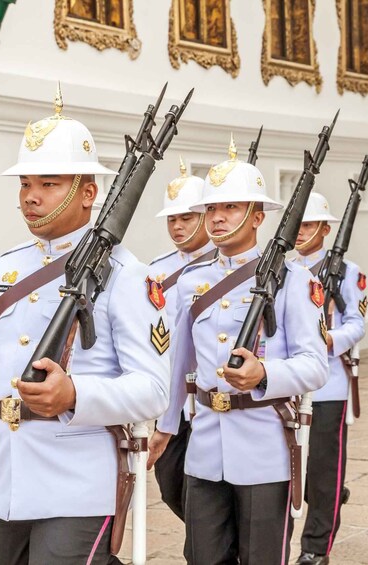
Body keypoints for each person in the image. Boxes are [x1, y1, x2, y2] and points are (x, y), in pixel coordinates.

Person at [0, 88, 169, 564]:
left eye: (49, 184)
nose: (31, 197)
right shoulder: (5, 269)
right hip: (13, 476)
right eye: (25, 184)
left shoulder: (127, 274)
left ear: (88, 192)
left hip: (81, 479)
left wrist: (74, 394)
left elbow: (153, 390)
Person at [149, 140, 328, 564]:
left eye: (230, 207)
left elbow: (315, 365)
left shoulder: (295, 280)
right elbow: (179, 363)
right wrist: (167, 425)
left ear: (258, 216)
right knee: (203, 556)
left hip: (263, 445)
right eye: (211, 209)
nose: (218, 217)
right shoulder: (193, 280)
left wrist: (264, 373)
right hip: (206, 444)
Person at [291, 193, 366, 565]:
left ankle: (315, 548)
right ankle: (331, 498)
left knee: (322, 471)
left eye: (308, 225)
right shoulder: (285, 271)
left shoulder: (347, 273)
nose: (301, 232)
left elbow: (357, 323)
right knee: (292, 471)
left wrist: (331, 340)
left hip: (327, 385)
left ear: (325, 228)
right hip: (287, 386)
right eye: (298, 225)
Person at [146, 157, 216, 521]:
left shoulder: (226, 268)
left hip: (207, 398)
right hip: (167, 400)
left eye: (186, 217)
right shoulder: (156, 270)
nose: (177, 226)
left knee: (207, 498)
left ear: (206, 215)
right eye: (172, 219)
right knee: (171, 485)